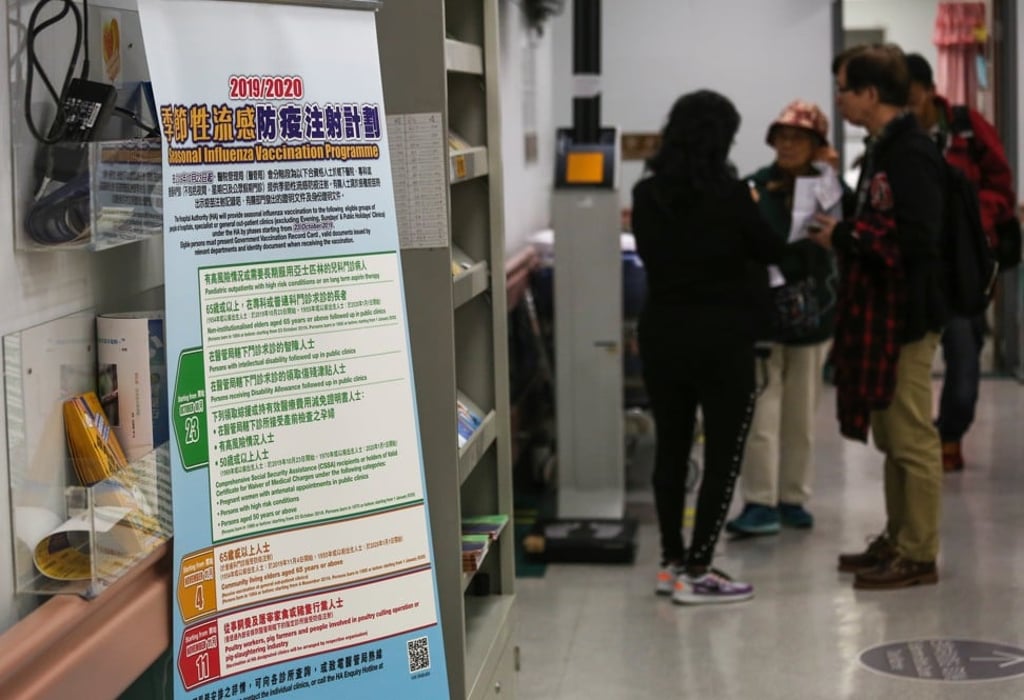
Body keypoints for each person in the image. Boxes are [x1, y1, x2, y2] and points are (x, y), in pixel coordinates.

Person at [631, 90, 786, 605]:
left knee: (671, 450)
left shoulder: (647, 193)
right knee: (722, 453)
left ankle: (671, 563)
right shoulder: (732, 194)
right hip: (723, 340)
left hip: (663, 334)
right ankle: (700, 569)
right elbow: (770, 252)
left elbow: (656, 259)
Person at [811, 45, 948, 589]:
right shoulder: (881, 150)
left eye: (844, 88)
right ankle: (898, 537)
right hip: (886, 314)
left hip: (908, 316)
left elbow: (918, 239)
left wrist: (845, 236)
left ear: (870, 94)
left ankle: (919, 554)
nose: (839, 98)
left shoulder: (910, 152)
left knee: (911, 437)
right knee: (892, 435)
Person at [726, 100, 845, 536]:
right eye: (783, 136)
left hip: (814, 317)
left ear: (818, 145)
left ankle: (793, 497)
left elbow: (843, 231)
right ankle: (760, 501)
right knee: (761, 413)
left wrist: (829, 175)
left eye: (800, 137)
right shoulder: (756, 186)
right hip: (763, 317)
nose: (789, 144)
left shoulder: (830, 188)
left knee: (801, 415)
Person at [904, 53, 1017, 473]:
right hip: (918, 264)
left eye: (914, 100)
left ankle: (950, 432)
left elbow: (1002, 187)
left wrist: (970, 220)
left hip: (965, 264)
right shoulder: (899, 139)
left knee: (964, 352)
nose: (910, 110)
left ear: (932, 92)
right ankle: (924, 440)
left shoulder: (967, 127)